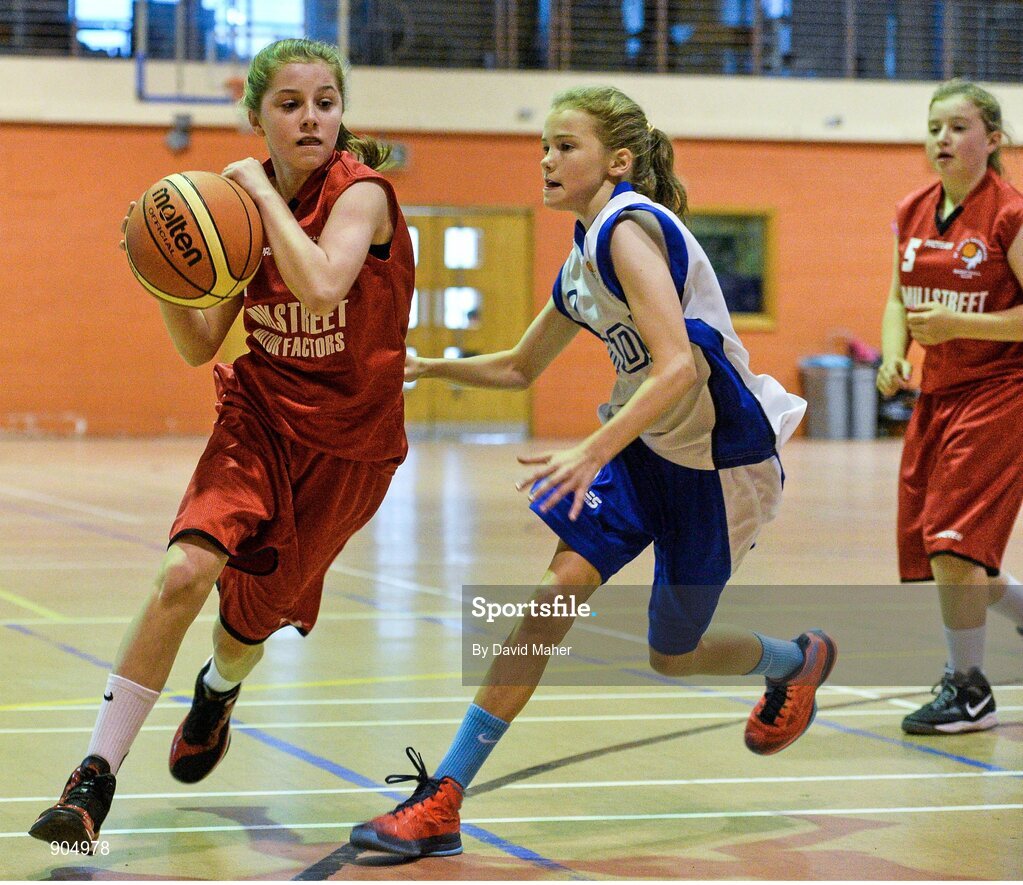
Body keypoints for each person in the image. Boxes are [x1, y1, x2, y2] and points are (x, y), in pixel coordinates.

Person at [349, 85, 835, 859]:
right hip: (643, 452)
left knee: (671, 654)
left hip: (719, 464)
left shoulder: (627, 228)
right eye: (542, 145)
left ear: (615, 161)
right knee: (551, 598)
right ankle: (444, 794)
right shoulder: (582, 259)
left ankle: (794, 659)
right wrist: (425, 365)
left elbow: (677, 366)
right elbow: (516, 367)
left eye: (563, 145)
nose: (545, 158)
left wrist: (593, 447)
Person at [28, 38, 414, 852]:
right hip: (260, 419)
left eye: (324, 102)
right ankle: (92, 777)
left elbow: (320, 282)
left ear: (341, 113)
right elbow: (202, 342)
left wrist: (251, 194)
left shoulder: (363, 195)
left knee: (246, 626)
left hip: (348, 449)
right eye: (290, 104)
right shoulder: (233, 208)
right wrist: (162, 273)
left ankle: (216, 690)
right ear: (257, 116)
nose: (311, 118)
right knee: (184, 571)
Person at [876, 79, 1023, 736]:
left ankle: (968, 690)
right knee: (941, 548)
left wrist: (969, 328)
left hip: (1001, 390)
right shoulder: (912, 209)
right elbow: (896, 298)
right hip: (936, 393)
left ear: (992, 140)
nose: (941, 138)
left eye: (957, 126)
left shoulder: (1007, 213)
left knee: (950, 542)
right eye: (933, 126)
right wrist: (892, 353)